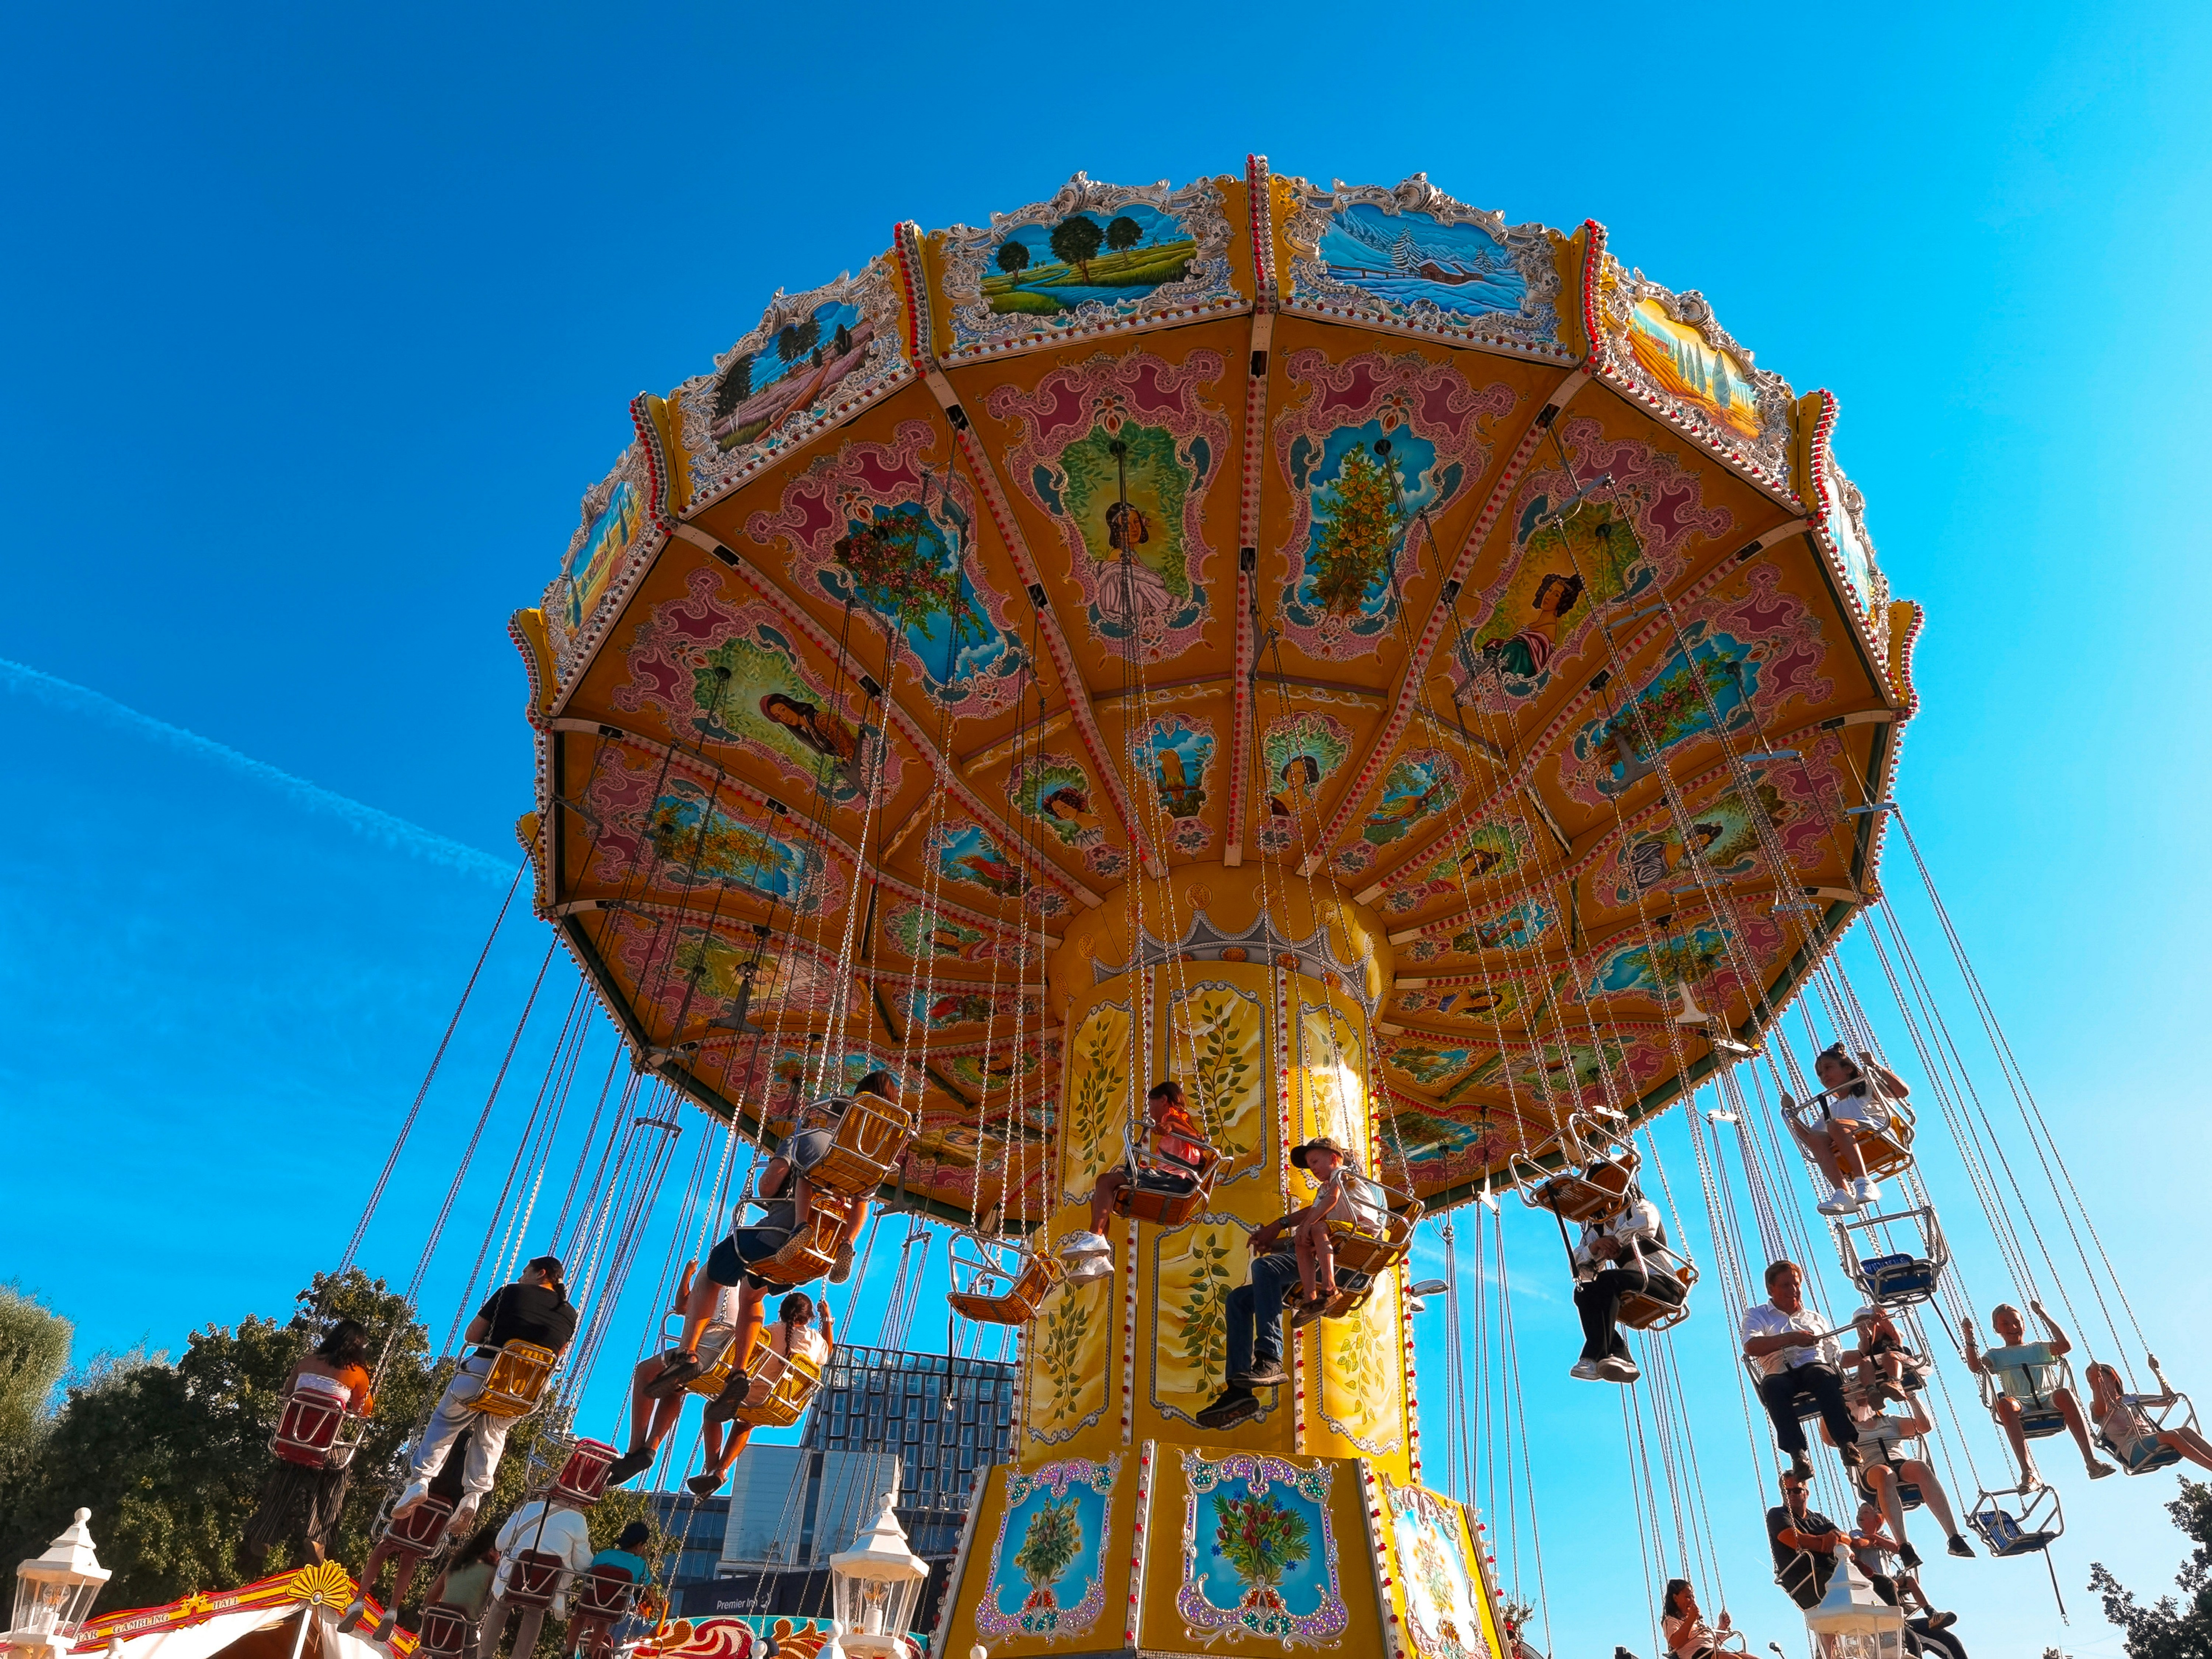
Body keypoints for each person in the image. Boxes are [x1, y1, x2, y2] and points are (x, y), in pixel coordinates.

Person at [397, 1258, 578, 1516]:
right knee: (494, 1432)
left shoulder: (511, 1292)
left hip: (483, 1376)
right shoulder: (570, 1313)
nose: (520, 1277)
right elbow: (558, 1353)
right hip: (526, 1391)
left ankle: (420, 1481)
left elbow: (472, 1336)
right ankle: (474, 1495)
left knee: (446, 1421)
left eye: (524, 1272)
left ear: (541, 1274)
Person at [240, 1319, 376, 1576]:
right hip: (324, 1448)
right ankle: (318, 1535)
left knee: (287, 1472)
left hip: (291, 1440)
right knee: (336, 1474)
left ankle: (264, 1533)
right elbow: (363, 1410)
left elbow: (288, 1393)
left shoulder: (306, 1362)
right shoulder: (358, 1373)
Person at [604, 1268, 745, 1486]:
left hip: (707, 1348)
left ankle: (635, 1449)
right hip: (727, 1354)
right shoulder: (745, 1287)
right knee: (673, 1390)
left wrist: (687, 1275)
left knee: (644, 1372)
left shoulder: (715, 1272)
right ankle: (651, 1448)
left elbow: (681, 1307)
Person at [338, 1425, 479, 1639]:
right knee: (410, 1555)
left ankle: (359, 1601)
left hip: (419, 1504)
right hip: (436, 1522)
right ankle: (392, 1611)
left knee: (385, 1546)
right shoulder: (473, 1467)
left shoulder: (444, 1438)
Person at [1060, 1081, 1212, 1278]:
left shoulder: (1174, 1117)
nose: (1150, 1110)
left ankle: (1094, 1238)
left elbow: (1201, 1139)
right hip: (1172, 1178)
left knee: (1105, 1181)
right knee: (1100, 1196)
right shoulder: (1174, 1120)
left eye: (1151, 1104)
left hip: (1177, 1181)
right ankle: (1097, 1259)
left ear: (1164, 1100)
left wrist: (1172, 1125)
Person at [688, 1291, 833, 1496]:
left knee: (712, 1410)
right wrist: (827, 1319)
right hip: (784, 1401)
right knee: (746, 1421)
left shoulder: (767, 1331)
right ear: (809, 1318)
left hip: (752, 1393)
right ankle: (719, 1472)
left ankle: (713, 1469)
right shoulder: (815, 1341)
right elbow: (828, 1352)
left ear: (782, 1313)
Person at [1960, 1299, 2112, 1485]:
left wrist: (2043, 1314)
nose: (2013, 1327)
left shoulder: (2039, 1348)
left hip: (2048, 1398)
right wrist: (1969, 1337)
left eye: (2017, 1322)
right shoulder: (1996, 1355)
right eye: (2006, 1324)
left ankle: (2092, 1462)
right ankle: (2028, 1472)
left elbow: (2065, 1346)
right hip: (2020, 1402)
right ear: (1997, 1329)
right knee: (2005, 1404)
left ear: (2024, 1324)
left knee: (2064, 1393)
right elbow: (1976, 1367)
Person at [1742, 1260, 1862, 1481]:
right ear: (1771, 1289)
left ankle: (1846, 1444)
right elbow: (1751, 1346)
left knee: (1823, 1375)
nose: (1794, 1290)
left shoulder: (1815, 1319)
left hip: (1813, 1367)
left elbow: (1836, 1356)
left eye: (1796, 1284)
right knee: (1772, 1386)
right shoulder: (1758, 1315)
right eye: (1786, 1285)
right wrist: (1791, 1339)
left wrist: (1866, 1352)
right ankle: (1798, 1455)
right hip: (1779, 1370)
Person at [1818, 1396, 1975, 1563]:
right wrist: (1824, 1410)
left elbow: (1923, 1426)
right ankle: (1903, 1545)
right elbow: (1830, 1440)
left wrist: (1912, 1397)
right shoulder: (1848, 1429)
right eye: (1854, 1399)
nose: (1860, 1400)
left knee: (1920, 1467)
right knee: (1885, 1474)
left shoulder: (1891, 1421)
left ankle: (1954, 1537)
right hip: (1873, 1470)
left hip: (1900, 1464)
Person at [1195, 1205, 1307, 1429]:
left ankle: (1271, 1357)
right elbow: (1302, 1238)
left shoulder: (1341, 1184)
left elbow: (1322, 1213)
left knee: (1264, 1268)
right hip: (1304, 1254)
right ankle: (1238, 1389)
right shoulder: (1329, 1189)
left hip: (1328, 1257)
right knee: (1238, 1300)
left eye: (1315, 1166)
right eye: (1311, 1166)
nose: (1314, 1169)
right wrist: (1270, 1243)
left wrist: (1279, 1225)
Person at [1569, 1175, 1681, 1385]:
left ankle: (1592, 1355)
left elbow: (1645, 1226)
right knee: (1583, 1292)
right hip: (1631, 1284)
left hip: (1663, 1283)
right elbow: (1578, 1268)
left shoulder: (1641, 1208)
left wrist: (1612, 1243)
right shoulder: (1598, 1229)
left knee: (1607, 1279)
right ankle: (1620, 1355)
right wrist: (1595, 1247)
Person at [1783, 1043, 1911, 1217]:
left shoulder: (1866, 1088)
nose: (1824, 1075)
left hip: (1880, 1132)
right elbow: (1810, 1140)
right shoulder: (1832, 1110)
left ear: (1848, 1069)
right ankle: (1842, 1194)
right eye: (1820, 1074)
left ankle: (1864, 1182)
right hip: (1851, 1138)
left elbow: (1902, 1092)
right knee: (1819, 1136)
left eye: (1828, 1068)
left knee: (1836, 1126)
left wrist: (1875, 1066)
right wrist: (1792, 1114)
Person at [1287, 1136, 1388, 1327]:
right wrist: (1302, 1231)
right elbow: (1319, 1208)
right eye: (1310, 1166)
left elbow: (1332, 1199)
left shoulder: (1341, 1174)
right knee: (1302, 1243)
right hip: (1342, 1230)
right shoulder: (1323, 1188)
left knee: (1316, 1228)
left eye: (1315, 1162)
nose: (1313, 1169)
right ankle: (1311, 1300)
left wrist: (1308, 1224)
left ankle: (1329, 1287)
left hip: (1362, 1226)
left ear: (1334, 1160)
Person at [478, 1495, 594, 1659]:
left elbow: (500, 1544)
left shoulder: (528, 1508)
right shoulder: (579, 1520)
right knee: (535, 1613)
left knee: (501, 1605)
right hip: (545, 1587)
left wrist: (514, 1516)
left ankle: (484, 1656)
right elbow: (583, 1565)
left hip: (512, 1579)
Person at [1850, 1505, 1971, 1659]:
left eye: (1865, 1512)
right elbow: (1857, 1543)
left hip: (1891, 1583)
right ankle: (1903, 1626)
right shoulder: (1856, 1533)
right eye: (1859, 1513)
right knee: (1911, 1641)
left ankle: (1931, 1613)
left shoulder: (1883, 1536)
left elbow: (1896, 1548)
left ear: (1878, 1519)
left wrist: (1875, 1538)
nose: (1860, 1515)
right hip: (1872, 1585)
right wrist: (1871, 1541)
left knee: (1910, 1581)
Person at [1768, 1468, 1878, 1613]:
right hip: (1808, 1578)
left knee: (1885, 1584)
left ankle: (1901, 1630)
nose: (1790, 1495)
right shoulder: (1777, 1515)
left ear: (1806, 1493)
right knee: (1842, 1583)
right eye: (1786, 1492)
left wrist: (1836, 1537)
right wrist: (1827, 1540)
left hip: (1835, 1570)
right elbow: (1799, 1541)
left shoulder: (1819, 1518)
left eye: (1796, 1491)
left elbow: (1847, 1540)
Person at [2085, 1360, 2212, 1474]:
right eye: (2091, 1382)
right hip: (2133, 1449)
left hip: (2151, 1439)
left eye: (2101, 1378)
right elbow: (2101, 1410)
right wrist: (2096, 1381)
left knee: (2187, 1432)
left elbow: (2168, 1400)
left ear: (2113, 1379)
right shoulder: (2096, 1407)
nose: (2095, 1383)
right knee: (2172, 1436)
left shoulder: (2130, 1399)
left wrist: (2157, 1371)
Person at [565, 1523, 651, 1659]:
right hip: (614, 1609)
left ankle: (569, 1652)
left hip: (590, 1602)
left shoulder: (604, 1555)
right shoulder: (641, 1565)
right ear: (639, 1545)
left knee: (579, 1615)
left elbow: (589, 1573)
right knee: (604, 1620)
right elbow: (646, 1582)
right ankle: (590, 1654)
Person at [413, 1522, 500, 1652]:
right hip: (464, 1632)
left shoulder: (455, 1564)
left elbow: (432, 1597)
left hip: (439, 1626)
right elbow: (495, 1609)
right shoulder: (492, 1573)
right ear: (492, 1551)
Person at [1843, 1305, 1913, 1406]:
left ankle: (1895, 1382)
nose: (1866, 1325)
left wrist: (1881, 1319)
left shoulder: (1889, 1335)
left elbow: (1896, 1337)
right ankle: (1872, 1391)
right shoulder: (1865, 1342)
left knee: (1888, 1356)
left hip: (1896, 1357)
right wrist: (1865, 1337)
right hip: (1876, 1363)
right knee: (1866, 1361)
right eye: (1860, 1325)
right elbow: (1865, 1351)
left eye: (1868, 1321)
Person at [1659, 1578, 1731, 1659]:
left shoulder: (1698, 1622)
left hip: (1713, 1651)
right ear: (1675, 1598)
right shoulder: (1671, 1621)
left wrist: (1722, 1628)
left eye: (1693, 1598)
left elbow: (1708, 1642)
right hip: (1697, 1655)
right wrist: (1691, 1620)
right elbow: (1676, 1643)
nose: (1692, 1602)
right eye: (1688, 1597)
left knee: (1746, 1657)